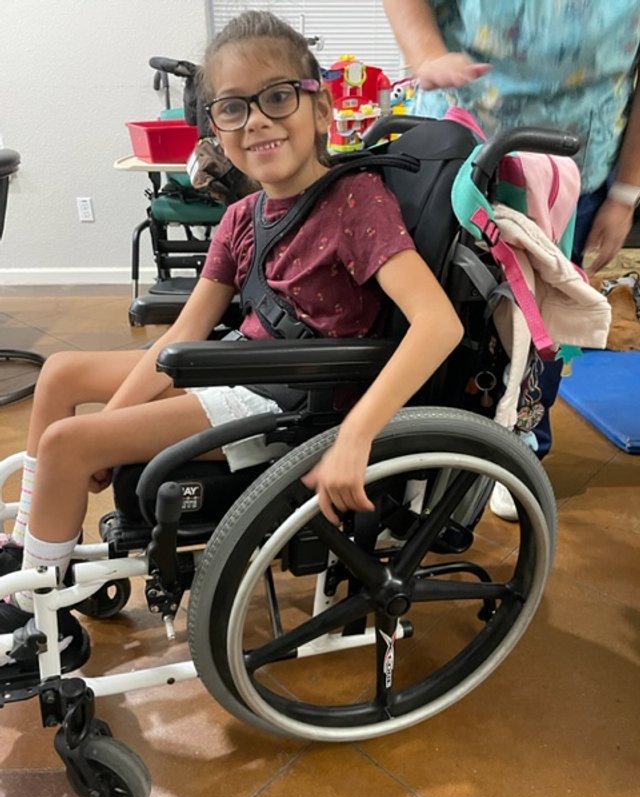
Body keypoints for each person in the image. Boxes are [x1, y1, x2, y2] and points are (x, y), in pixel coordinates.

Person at [0, 11, 463, 665]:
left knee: (69, 442)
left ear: (321, 108)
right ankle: (31, 548)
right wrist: (123, 415)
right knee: (62, 374)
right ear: (216, 128)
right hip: (240, 362)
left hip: (296, 397)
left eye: (277, 97)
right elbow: (185, 333)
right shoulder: (243, 215)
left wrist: (357, 435)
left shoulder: (357, 203)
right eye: (233, 108)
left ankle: (41, 620)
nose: (258, 121)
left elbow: (438, 323)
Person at [383, 0, 640, 517]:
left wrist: (626, 192)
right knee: (441, 308)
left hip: (573, 171)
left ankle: (520, 444)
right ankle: (419, 448)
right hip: (461, 153)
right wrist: (427, 53)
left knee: (539, 319)